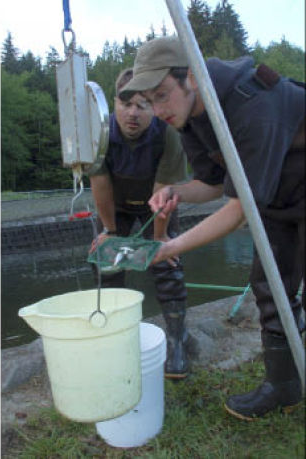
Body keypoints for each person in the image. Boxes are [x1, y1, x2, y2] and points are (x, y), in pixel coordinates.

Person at [120, 36, 305, 420]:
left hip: (287, 189)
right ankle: (284, 387)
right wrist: (176, 191)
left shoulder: (255, 106)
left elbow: (239, 211)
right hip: (278, 198)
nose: (157, 110)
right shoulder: (187, 117)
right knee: (271, 286)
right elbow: (217, 184)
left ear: (191, 77)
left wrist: (170, 247)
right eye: (149, 100)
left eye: (162, 95)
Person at [87, 67, 191, 379]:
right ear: (114, 103)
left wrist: (159, 239)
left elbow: (164, 190)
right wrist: (109, 231)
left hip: (155, 202)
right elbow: (100, 182)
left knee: (167, 262)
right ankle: (114, 334)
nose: (132, 113)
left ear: (152, 108)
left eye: (141, 105)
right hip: (116, 204)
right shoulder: (98, 132)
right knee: (106, 260)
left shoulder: (168, 133)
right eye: (125, 103)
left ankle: (177, 341)